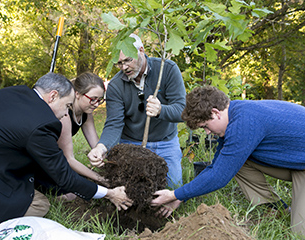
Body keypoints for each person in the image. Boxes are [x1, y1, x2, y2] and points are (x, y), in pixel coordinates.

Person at [0, 72, 132, 234]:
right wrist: (109, 193)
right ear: (52, 96)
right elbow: (65, 176)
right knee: (40, 204)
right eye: (67, 106)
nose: (65, 115)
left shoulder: (14, 92)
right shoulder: (42, 124)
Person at [151, 85, 305, 237]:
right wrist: (181, 196)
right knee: (236, 162)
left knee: (299, 232)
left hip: (300, 165)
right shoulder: (234, 114)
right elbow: (217, 166)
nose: (207, 132)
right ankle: (276, 210)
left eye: (205, 126)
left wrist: (174, 194)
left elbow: (219, 176)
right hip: (296, 161)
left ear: (215, 112)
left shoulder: (244, 123)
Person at [87, 33, 186, 189]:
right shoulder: (116, 85)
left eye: (128, 60)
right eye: (119, 63)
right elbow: (114, 123)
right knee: (128, 190)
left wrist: (161, 110)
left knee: (172, 189)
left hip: (165, 143)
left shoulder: (167, 70)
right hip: (131, 144)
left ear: (141, 50)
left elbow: (182, 110)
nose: (124, 67)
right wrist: (101, 147)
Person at [57, 72, 107, 201]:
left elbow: (96, 145)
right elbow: (68, 159)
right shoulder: (65, 114)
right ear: (77, 94)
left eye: (100, 100)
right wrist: (99, 178)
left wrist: (106, 162)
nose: (96, 104)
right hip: (47, 158)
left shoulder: (86, 114)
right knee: (73, 193)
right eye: (93, 99)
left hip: (60, 158)